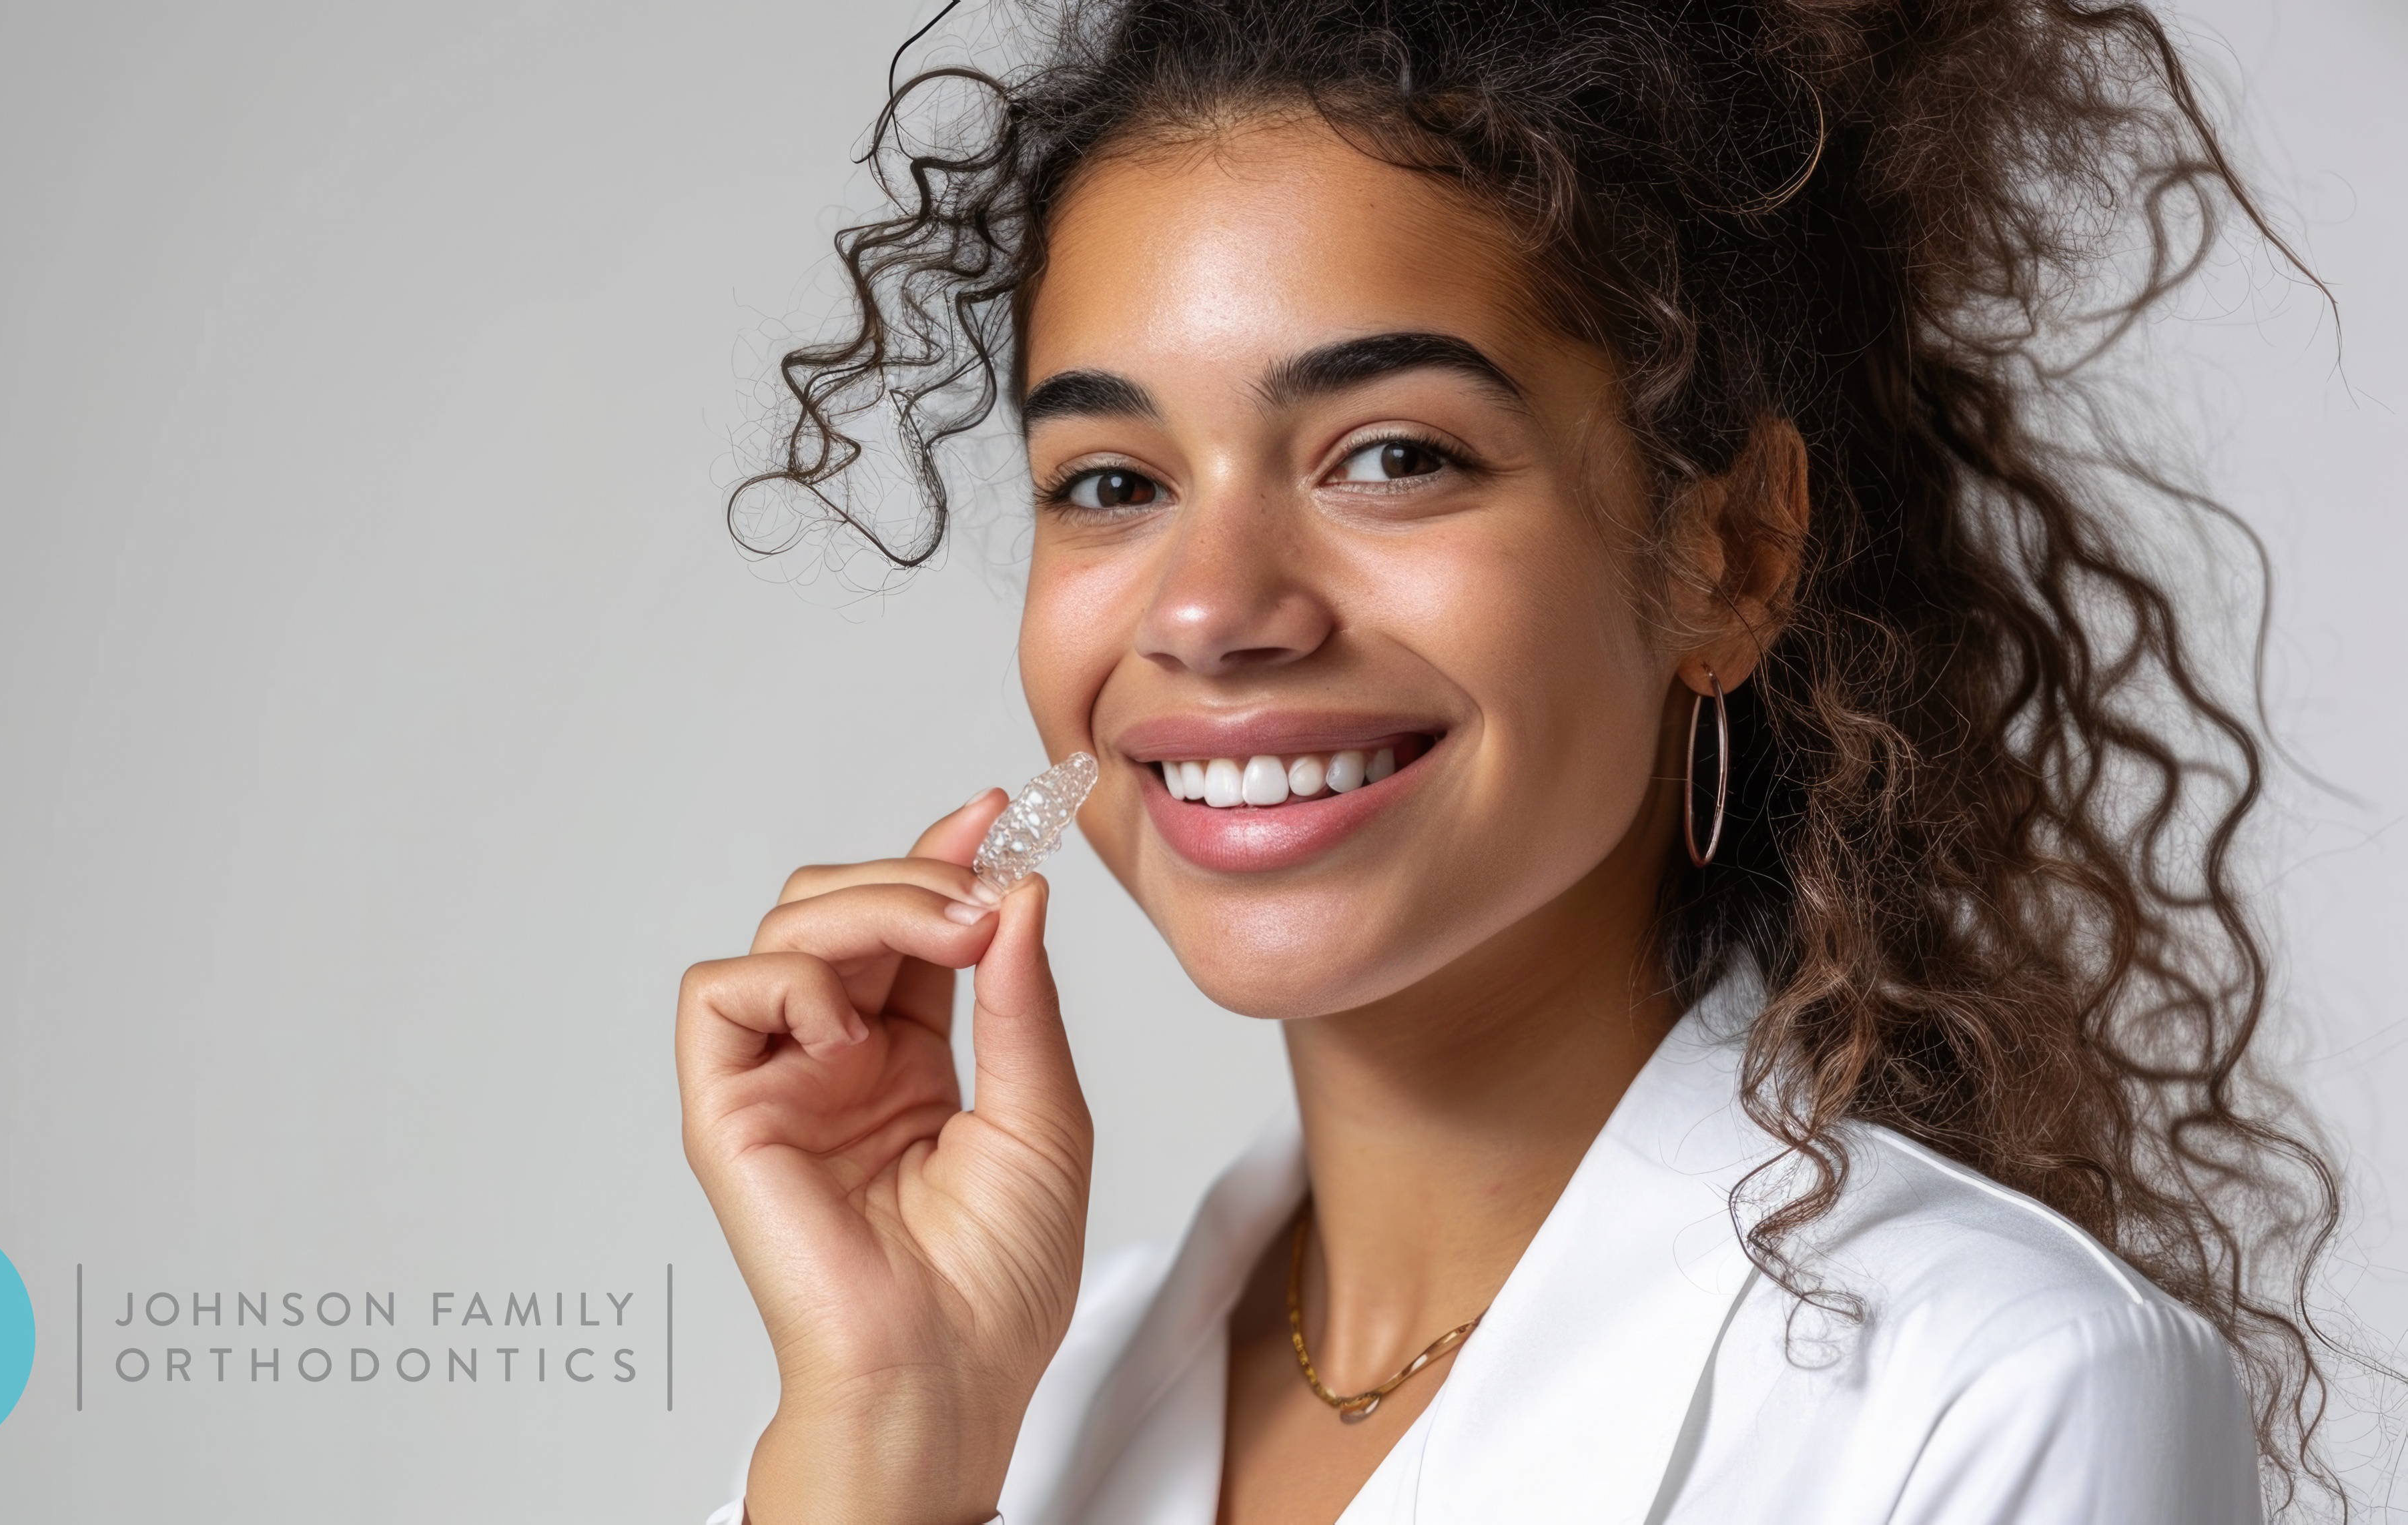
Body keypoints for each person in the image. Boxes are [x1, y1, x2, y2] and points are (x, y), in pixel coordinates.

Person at [677, 3, 2350, 1521]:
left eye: (1391, 454)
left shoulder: (1999, 1390)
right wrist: (883, 1434)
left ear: (1732, 554)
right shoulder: (987, 1396)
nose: (1207, 609)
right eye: (1111, 481)